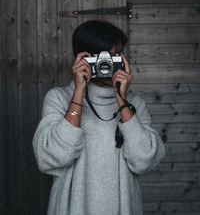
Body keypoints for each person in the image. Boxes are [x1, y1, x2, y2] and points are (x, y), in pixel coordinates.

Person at [32, 20, 166, 215]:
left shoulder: (134, 104)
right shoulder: (59, 98)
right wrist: (78, 91)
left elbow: (144, 161)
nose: (108, 65)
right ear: (83, 59)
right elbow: (52, 157)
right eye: (103, 58)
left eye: (116, 56)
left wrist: (122, 100)